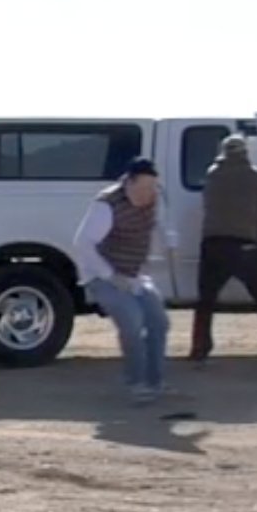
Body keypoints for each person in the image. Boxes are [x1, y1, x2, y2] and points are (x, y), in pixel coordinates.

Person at [73, 157, 179, 405]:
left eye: (152, 187)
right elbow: (83, 244)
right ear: (128, 183)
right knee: (132, 321)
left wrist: (171, 244)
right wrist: (111, 275)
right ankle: (136, 383)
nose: (147, 194)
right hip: (102, 275)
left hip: (135, 275)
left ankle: (156, 382)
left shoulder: (154, 198)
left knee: (159, 322)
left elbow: (162, 225)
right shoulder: (107, 205)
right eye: (142, 188)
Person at [189, 134, 257, 369]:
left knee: (206, 301)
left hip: (213, 243)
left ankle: (199, 351)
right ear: (244, 152)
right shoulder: (254, 176)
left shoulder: (212, 174)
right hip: (244, 244)